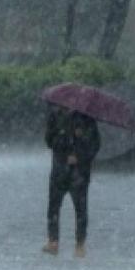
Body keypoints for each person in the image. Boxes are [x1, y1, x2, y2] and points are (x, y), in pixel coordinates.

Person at [43, 105, 100, 258]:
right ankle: (53, 241)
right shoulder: (55, 116)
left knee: (81, 209)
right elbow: (49, 141)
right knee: (53, 207)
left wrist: (79, 156)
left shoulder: (87, 118)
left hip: (79, 173)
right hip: (59, 171)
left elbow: (95, 145)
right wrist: (62, 137)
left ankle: (80, 244)